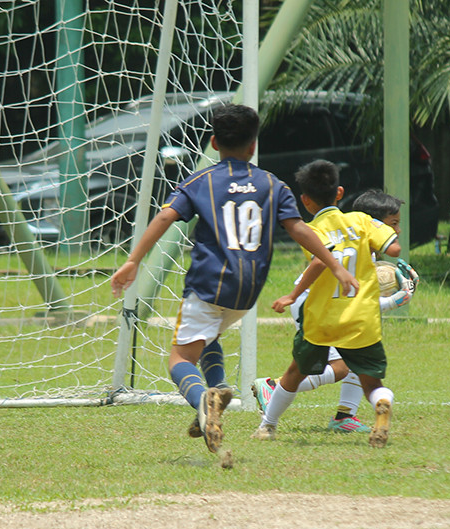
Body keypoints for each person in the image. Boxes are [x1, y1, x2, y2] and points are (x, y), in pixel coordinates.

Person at [110, 105, 358, 463]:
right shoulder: (273, 184)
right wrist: (335, 265)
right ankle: (220, 387)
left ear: (213, 142)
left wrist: (133, 260)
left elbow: (166, 215)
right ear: (253, 146)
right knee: (210, 335)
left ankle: (204, 403)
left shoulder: (201, 181)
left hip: (209, 282)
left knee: (180, 358)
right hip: (247, 291)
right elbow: (299, 228)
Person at [252, 160, 402, 448]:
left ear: (305, 200)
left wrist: (293, 296)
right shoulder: (361, 220)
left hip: (322, 320)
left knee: (294, 374)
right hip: (361, 320)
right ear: (340, 192)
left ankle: (267, 426)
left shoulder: (311, 229)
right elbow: (393, 248)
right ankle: (381, 405)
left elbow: (321, 261)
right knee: (371, 383)